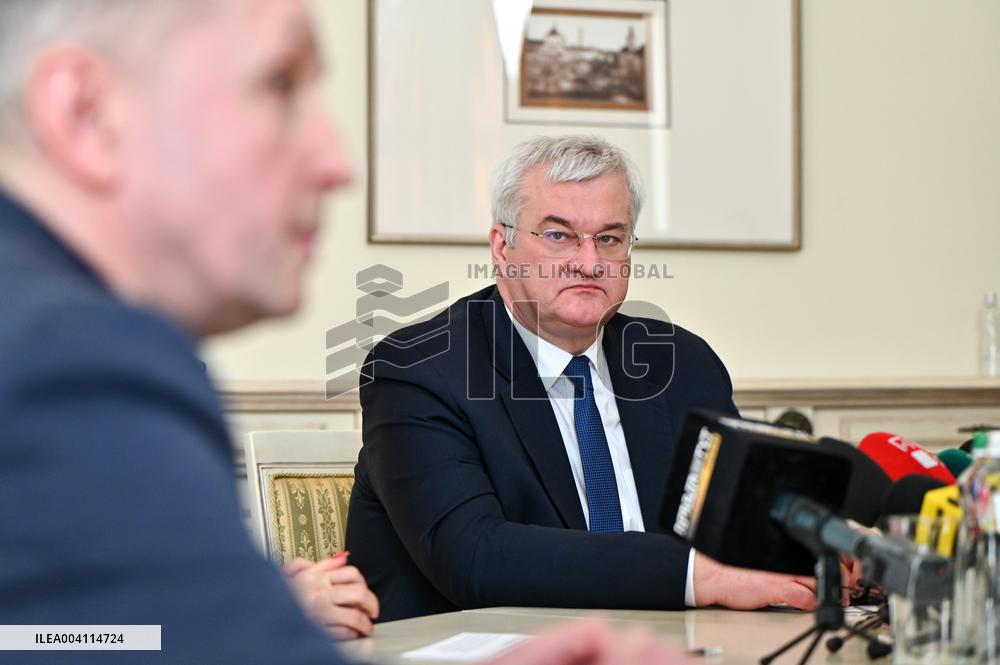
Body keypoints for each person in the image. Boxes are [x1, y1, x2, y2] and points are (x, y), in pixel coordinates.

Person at [0, 2, 689, 664]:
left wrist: (266, 609)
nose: (336, 161)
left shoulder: (93, 342)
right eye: (278, 85)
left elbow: (71, 634)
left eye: (611, 237)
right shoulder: (61, 361)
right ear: (84, 113)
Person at [346, 135, 821, 622]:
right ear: (502, 247)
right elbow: (475, 559)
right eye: (558, 235)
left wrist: (817, 541)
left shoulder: (681, 363)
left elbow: (735, 523)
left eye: (609, 238)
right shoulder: (419, 370)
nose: (589, 262)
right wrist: (701, 576)